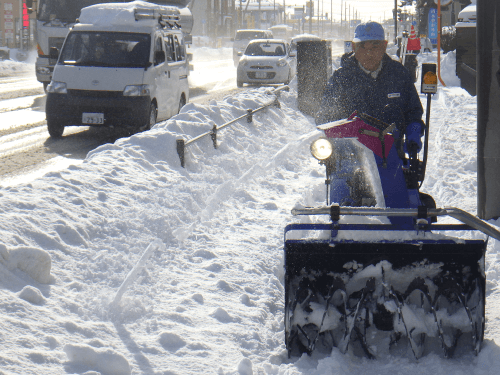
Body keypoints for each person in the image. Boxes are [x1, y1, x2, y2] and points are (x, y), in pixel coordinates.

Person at [315, 21, 424, 155]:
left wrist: (414, 131)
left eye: (374, 46)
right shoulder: (341, 78)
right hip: (351, 156)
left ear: (384, 46)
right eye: (362, 47)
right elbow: (325, 116)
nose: (368, 53)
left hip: (391, 153)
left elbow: (413, 110)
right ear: (354, 48)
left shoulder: (399, 75)